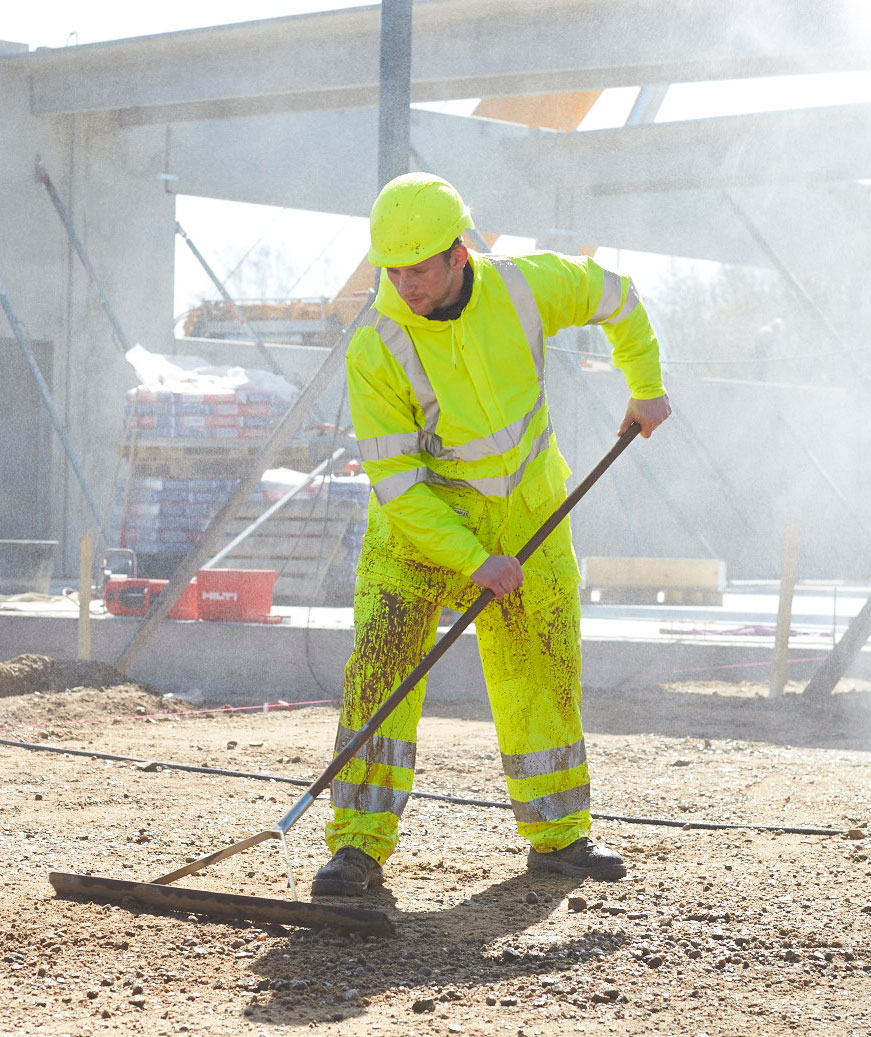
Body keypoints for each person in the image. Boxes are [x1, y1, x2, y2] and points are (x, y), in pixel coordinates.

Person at [312, 173, 671, 897]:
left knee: (541, 664)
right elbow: (400, 484)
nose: (405, 284)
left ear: (458, 253)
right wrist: (474, 560)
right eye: (393, 269)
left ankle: (558, 835)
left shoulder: (525, 285)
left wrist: (645, 382)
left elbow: (619, 298)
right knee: (380, 672)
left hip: (528, 515)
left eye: (418, 268)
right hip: (419, 533)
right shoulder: (374, 346)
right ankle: (356, 847)